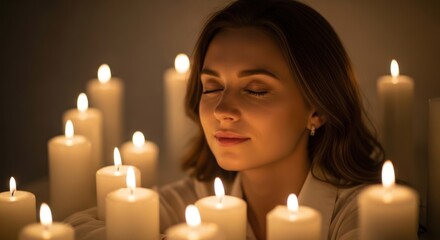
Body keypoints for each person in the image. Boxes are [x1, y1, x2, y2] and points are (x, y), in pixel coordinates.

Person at [66, 0, 385, 239]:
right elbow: (73, 229)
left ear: (317, 109)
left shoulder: (365, 212)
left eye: (256, 89)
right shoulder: (203, 194)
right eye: (213, 87)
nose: (222, 110)